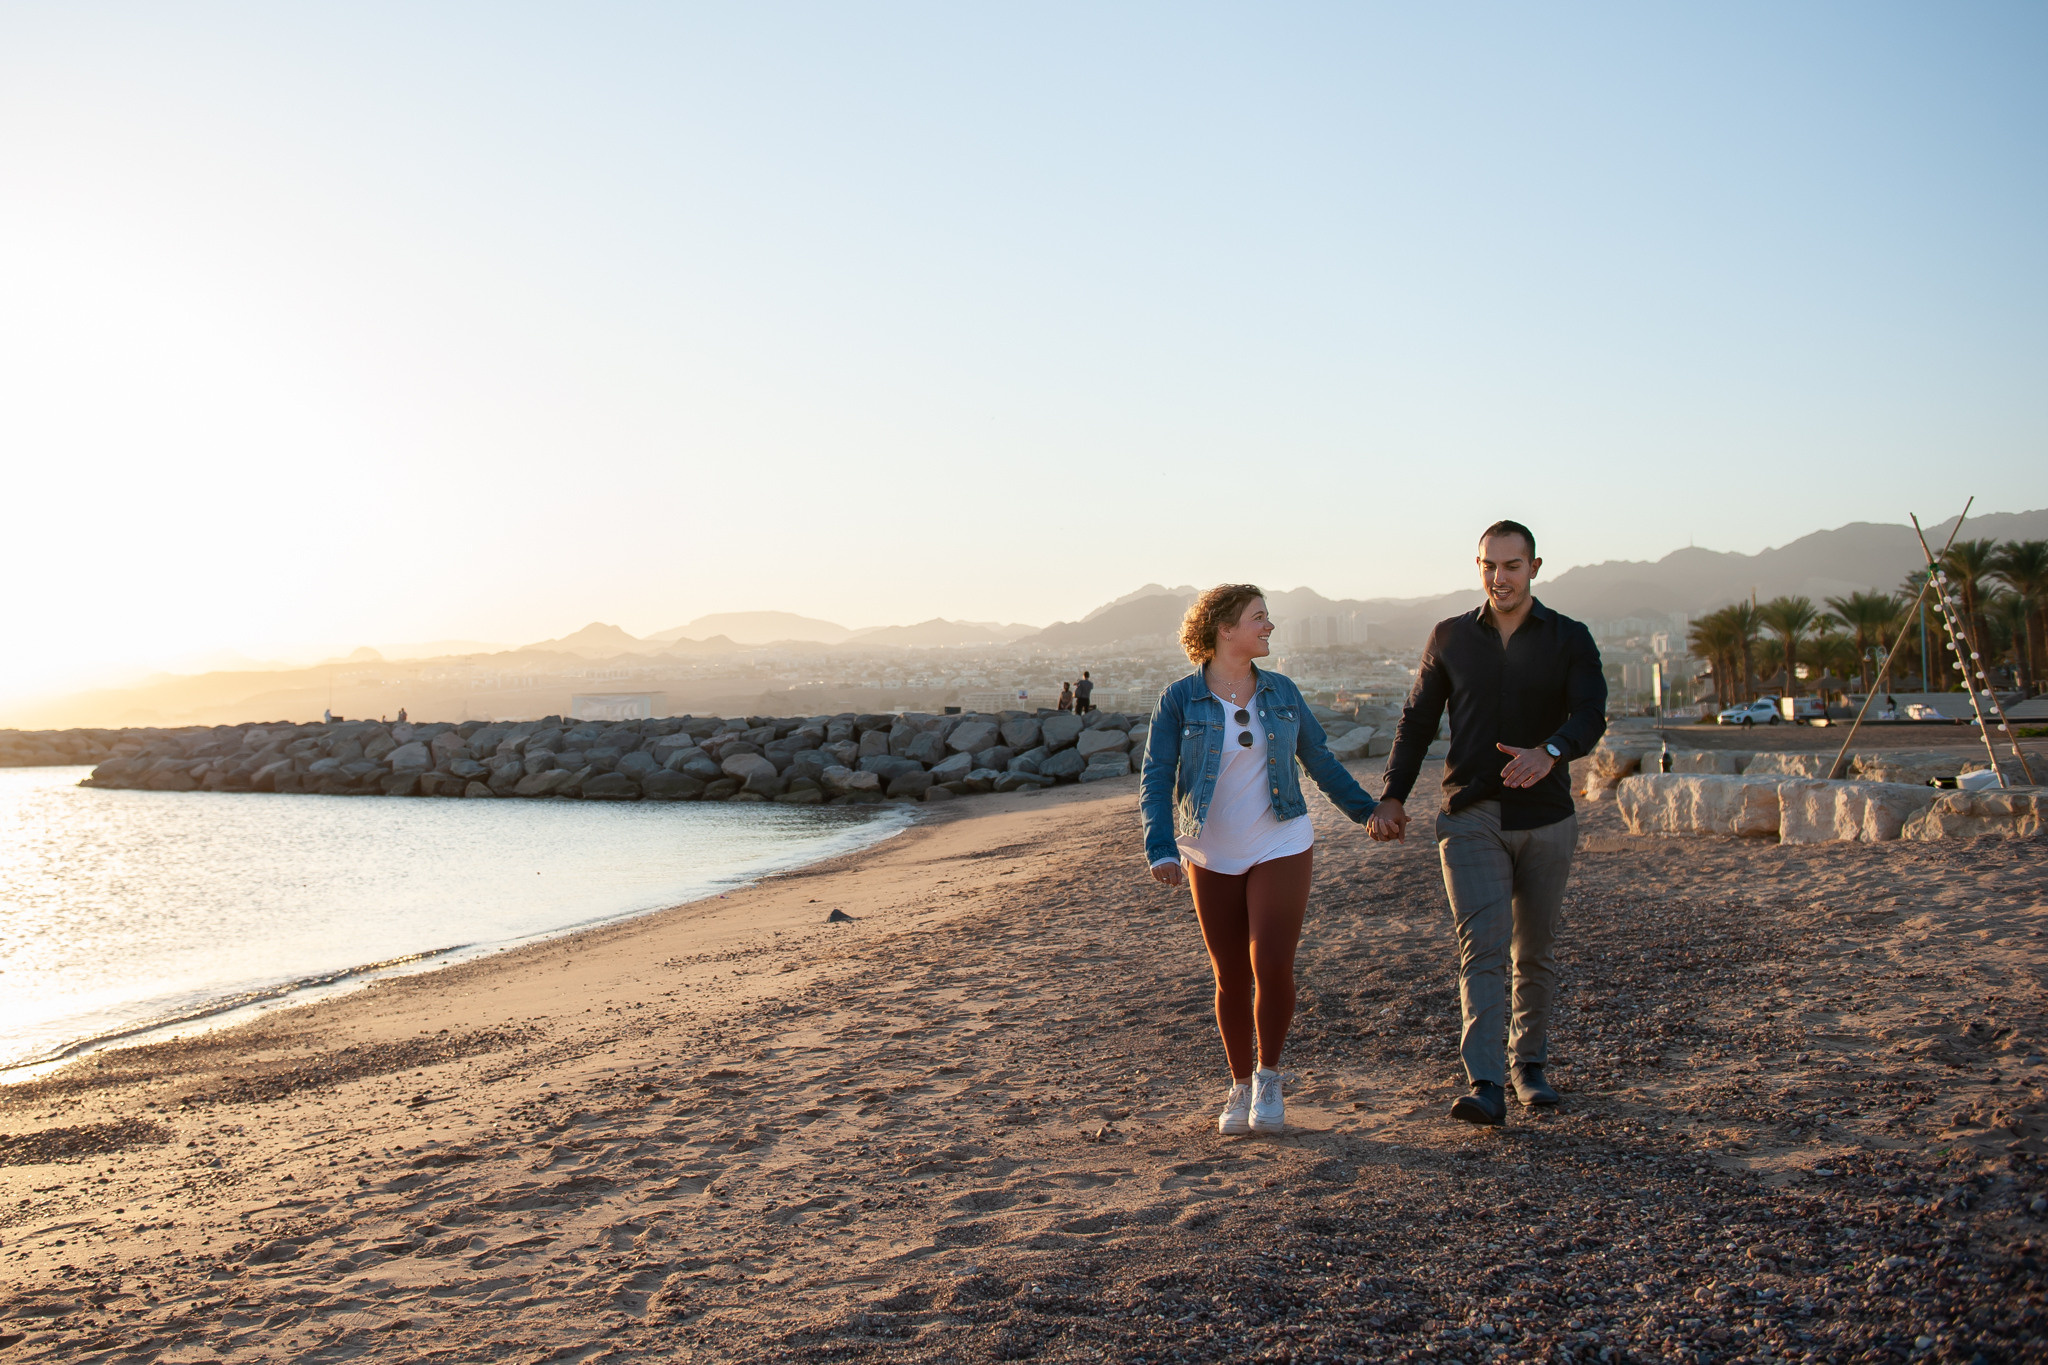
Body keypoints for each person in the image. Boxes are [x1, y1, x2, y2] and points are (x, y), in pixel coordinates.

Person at [1367, 521, 1607, 1126]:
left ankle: (1530, 1066)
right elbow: (1417, 722)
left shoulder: (1570, 637)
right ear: (1479, 567)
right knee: (1483, 948)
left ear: (1534, 567)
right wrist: (1392, 795)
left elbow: (1591, 714)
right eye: (1488, 566)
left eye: (1512, 566)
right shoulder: (1449, 636)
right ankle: (1486, 1082)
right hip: (1470, 815)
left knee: (1536, 949)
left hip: (1548, 816)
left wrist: (1548, 751)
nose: (1499, 578)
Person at [1141, 585, 1379, 1135]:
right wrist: (1160, 847)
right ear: (1225, 629)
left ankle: (1269, 1077)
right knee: (1229, 976)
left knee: (1270, 962)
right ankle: (1239, 1082)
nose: (1269, 627)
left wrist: (1366, 812)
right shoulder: (1179, 699)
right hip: (1211, 847)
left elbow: (1319, 759)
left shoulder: (1282, 691)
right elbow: (1156, 777)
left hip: (1282, 839)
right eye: (1259, 619)